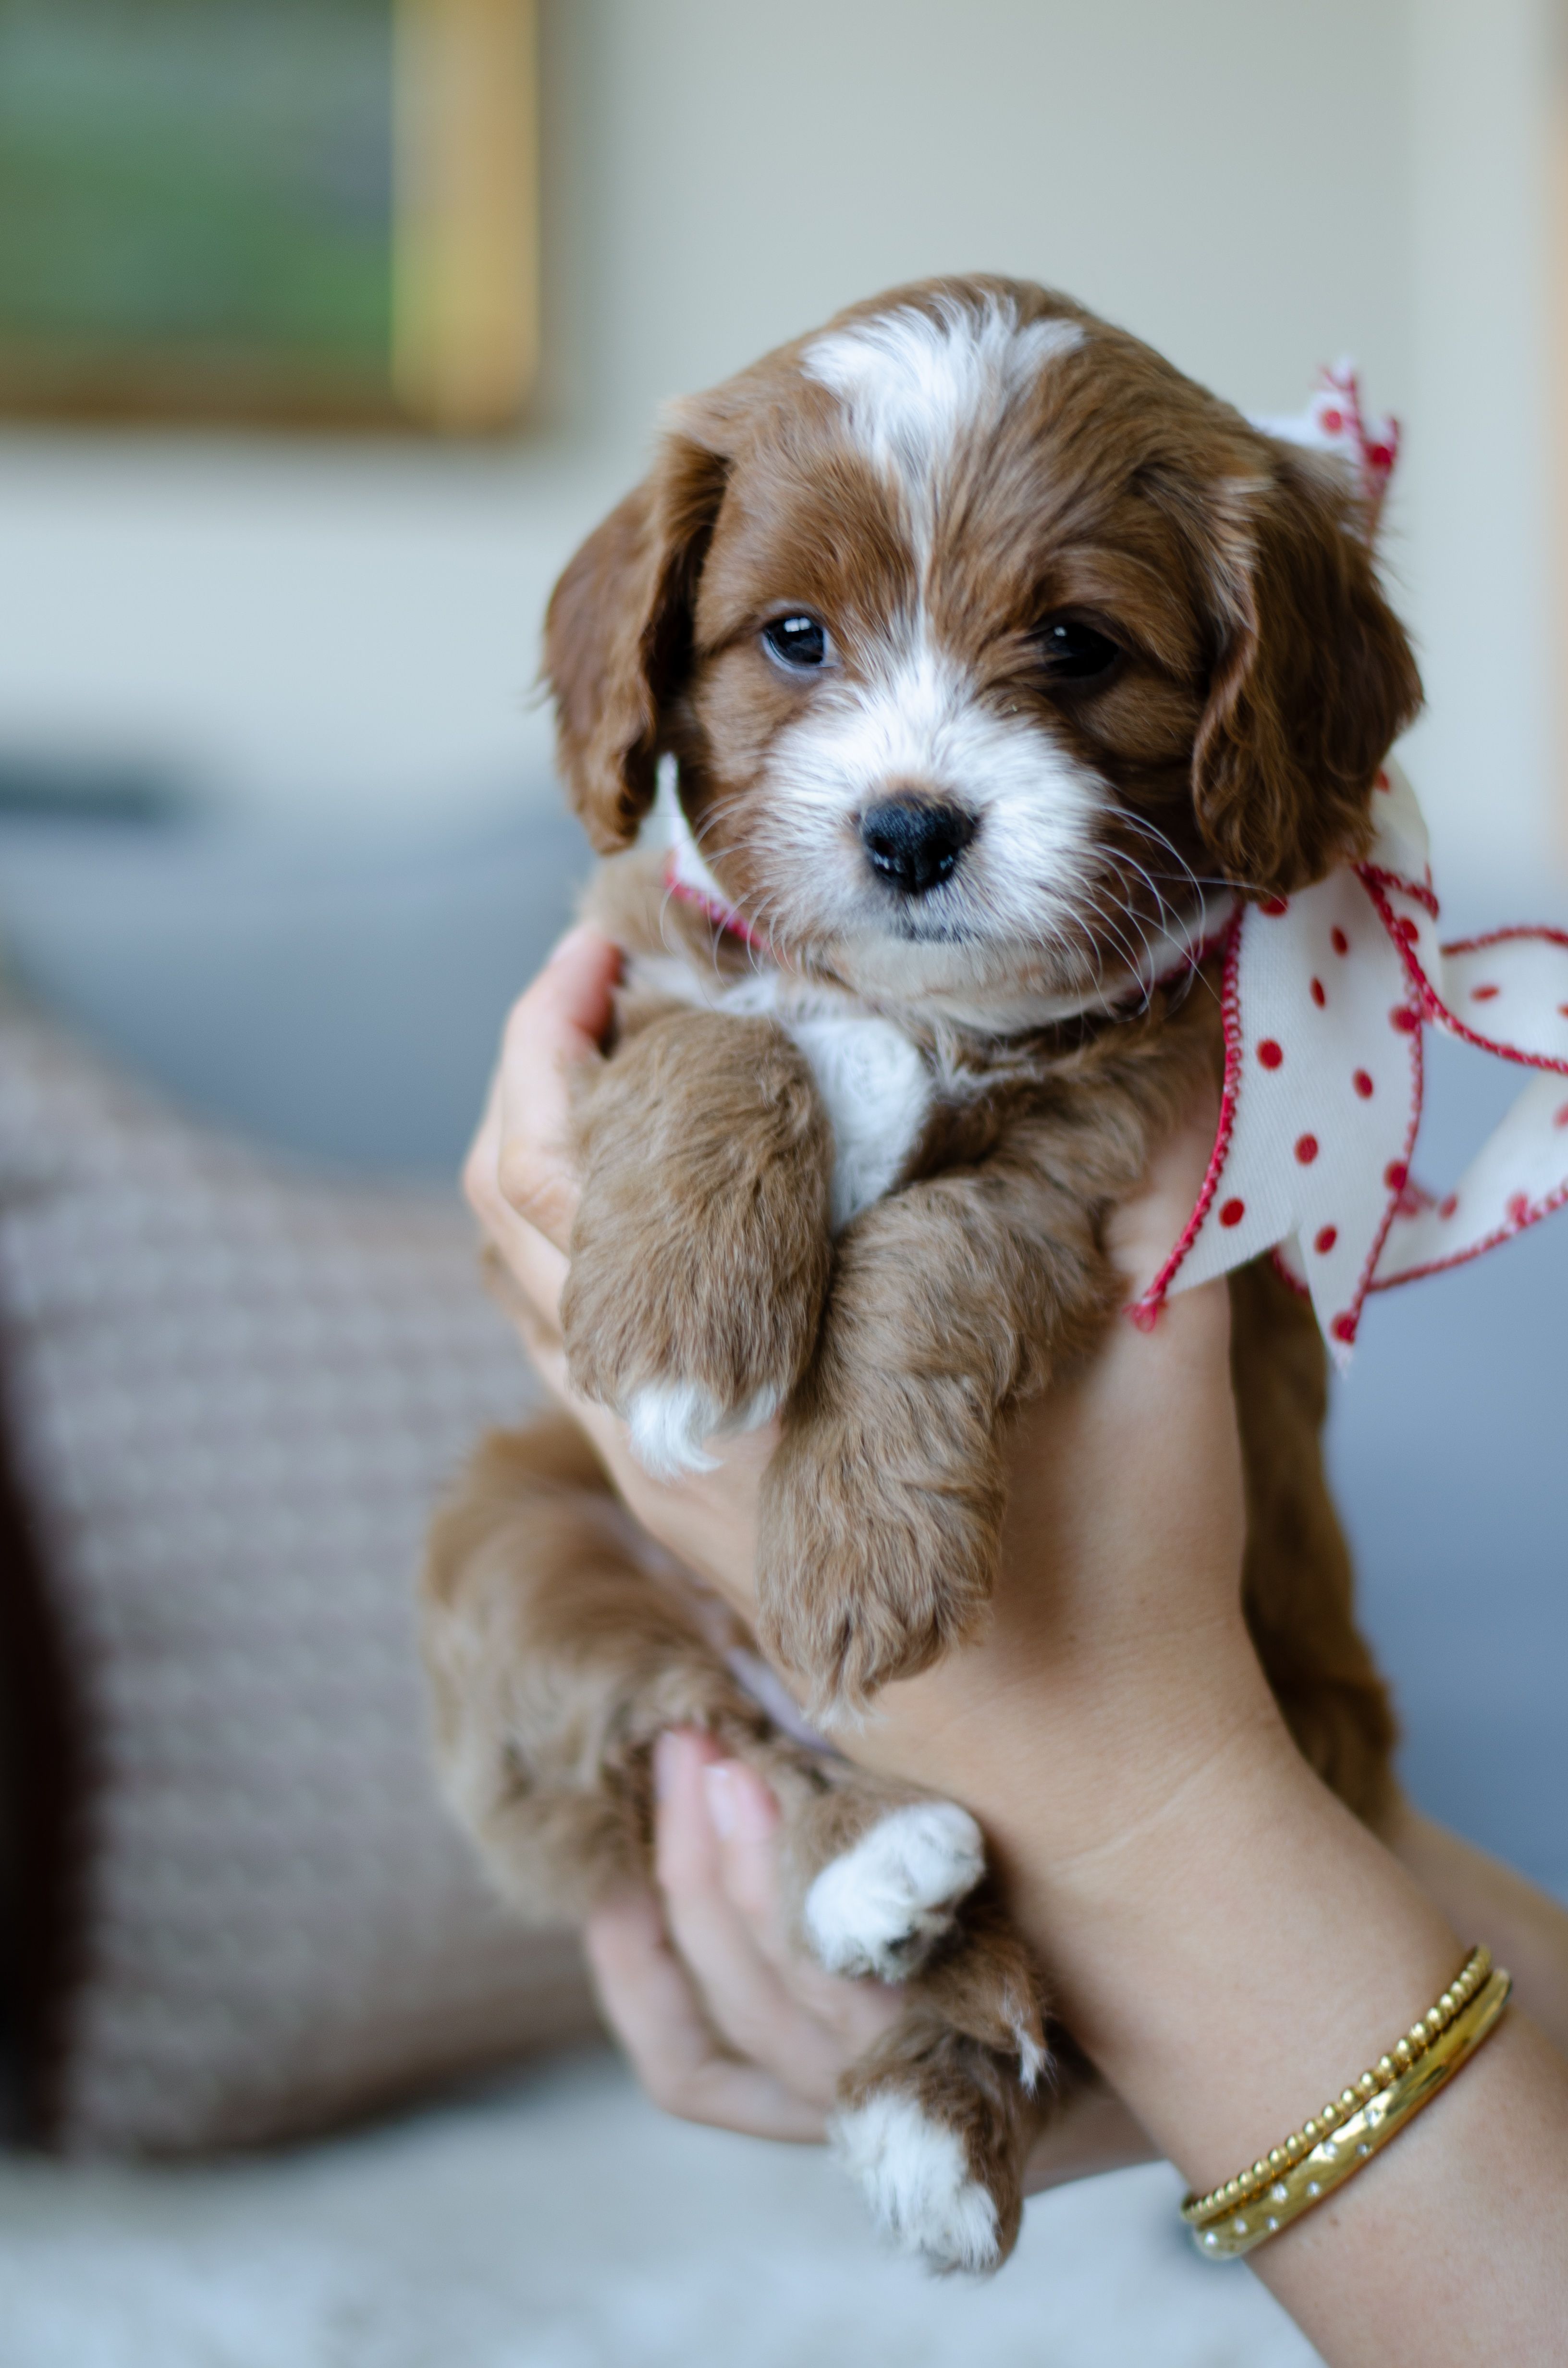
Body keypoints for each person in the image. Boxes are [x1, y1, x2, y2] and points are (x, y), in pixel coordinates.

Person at [465, 924, 1568, 2366]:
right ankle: (927, 1967)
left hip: (1190, 1749)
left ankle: (963, 2054)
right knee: (516, 1578)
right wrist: (1238, 1977)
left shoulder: (1168, 1013)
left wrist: (1166, 1882)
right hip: (743, 1710)